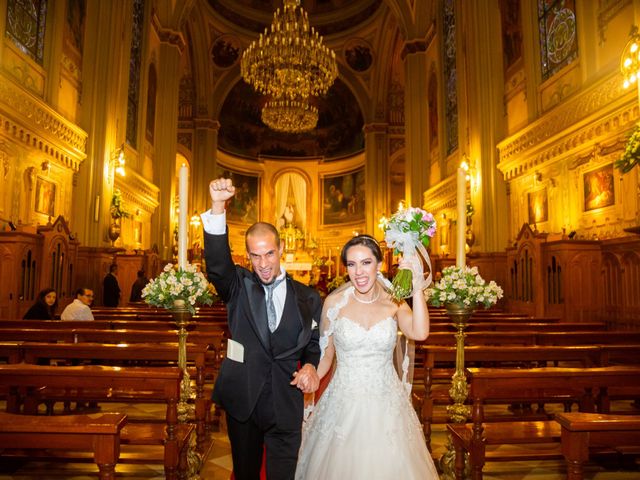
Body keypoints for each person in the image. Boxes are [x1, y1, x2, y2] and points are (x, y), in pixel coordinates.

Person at [201, 177, 322, 480]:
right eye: (255, 255)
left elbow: (313, 342)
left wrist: (310, 365)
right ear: (248, 255)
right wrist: (218, 206)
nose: (263, 263)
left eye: (269, 253)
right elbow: (217, 265)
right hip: (244, 401)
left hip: (286, 402)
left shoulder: (307, 297)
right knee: (245, 475)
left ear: (281, 249)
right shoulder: (238, 286)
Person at [295, 234, 439, 479]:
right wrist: (311, 376)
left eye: (366, 263)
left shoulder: (393, 302)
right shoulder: (334, 303)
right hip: (343, 402)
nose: (358, 272)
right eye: (351, 264)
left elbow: (421, 332)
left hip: (387, 404)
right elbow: (327, 356)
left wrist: (415, 286)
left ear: (379, 265)